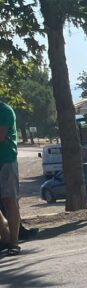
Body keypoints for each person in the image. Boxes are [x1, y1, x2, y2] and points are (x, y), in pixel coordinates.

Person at [0, 95, 21, 254]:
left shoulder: (4, 110)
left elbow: (1, 137)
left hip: (6, 160)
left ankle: (14, 242)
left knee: (9, 202)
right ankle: (5, 236)